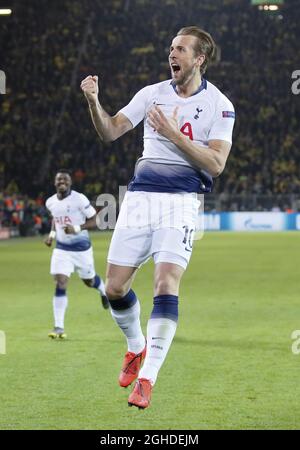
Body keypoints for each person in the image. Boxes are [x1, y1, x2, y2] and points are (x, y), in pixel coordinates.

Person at [81, 26, 235, 409]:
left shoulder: (221, 105)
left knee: (166, 283)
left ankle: (147, 379)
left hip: (181, 201)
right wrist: (93, 101)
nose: (172, 54)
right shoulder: (152, 93)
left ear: (199, 58)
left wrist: (172, 134)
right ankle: (136, 346)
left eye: (180, 49)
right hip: (139, 200)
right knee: (114, 288)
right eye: (171, 48)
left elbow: (216, 163)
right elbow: (112, 131)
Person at [44, 169, 109, 339]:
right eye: (59, 180)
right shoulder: (50, 202)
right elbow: (55, 218)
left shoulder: (79, 199)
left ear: (70, 182)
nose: (62, 182)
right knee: (61, 281)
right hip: (62, 249)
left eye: (65, 179)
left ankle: (103, 290)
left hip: (82, 249)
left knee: (89, 281)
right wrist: (52, 235)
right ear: (55, 182)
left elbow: (96, 220)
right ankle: (58, 327)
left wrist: (77, 228)